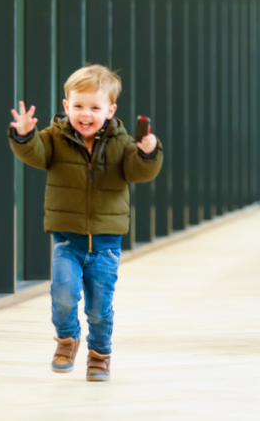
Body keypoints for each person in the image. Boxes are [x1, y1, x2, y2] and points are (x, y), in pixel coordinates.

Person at [8, 64, 163, 382]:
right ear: (66, 107)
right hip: (67, 239)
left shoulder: (121, 142)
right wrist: (24, 136)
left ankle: (99, 354)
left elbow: (138, 171)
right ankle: (67, 340)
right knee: (63, 295)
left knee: (99, 307)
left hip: (106, 243)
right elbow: (35, 153)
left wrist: (148, 153)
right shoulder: (55, 138)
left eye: (95, 107)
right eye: (78, 106)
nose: (86, 114)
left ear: (110, 110)